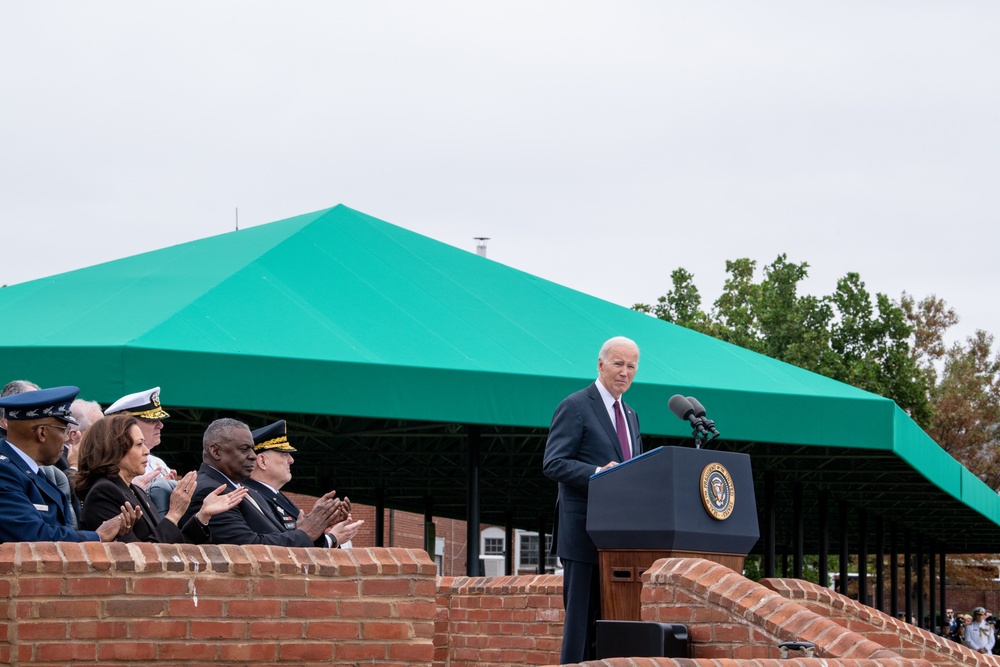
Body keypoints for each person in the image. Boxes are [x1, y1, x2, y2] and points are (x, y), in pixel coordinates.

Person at [542, 336, 643, 664]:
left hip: (621, 540)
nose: (624, 372)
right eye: (618, 364)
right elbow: (554, 462)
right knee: (580, 629)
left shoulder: (631, 415)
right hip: (584, 536)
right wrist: (600, 472)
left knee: (614, 626)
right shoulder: (575, 405)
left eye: (631, 366)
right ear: (600, 364)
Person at [76, 413, 246, 543]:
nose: (146, 451)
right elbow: (140, 559)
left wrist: (202, 516)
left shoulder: (133, 490)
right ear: (114, 449)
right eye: (139, 444)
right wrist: (174, 514)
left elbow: (172, 546)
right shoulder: (104, 492)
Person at [0, 385, 138, 543]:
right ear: (42, 433)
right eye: (64, 430)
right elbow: (32, 534)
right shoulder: (5, 472)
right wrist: (98, 536)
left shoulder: (30, 471)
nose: (66, 439)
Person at [179, 417, 348, 546]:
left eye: (252, 448)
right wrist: (306, 532)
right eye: (244, 449)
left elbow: (278, 536)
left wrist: (315, 525)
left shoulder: (247, 491)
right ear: (216, 452)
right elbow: (248, 548)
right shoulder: (210, 490)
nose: (253, 455)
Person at [244, 419, 363, 548]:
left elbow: (295, 539)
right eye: (284, 455)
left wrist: (318, 520)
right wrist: (331, 539)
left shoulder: (276, 496)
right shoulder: (248, 497)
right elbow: (279, 546)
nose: (291, 460)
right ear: (262, 461)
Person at [104, 387, 177, 513]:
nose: (160, 425)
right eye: (151, 420)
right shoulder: (111, 463)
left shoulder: (157, 462)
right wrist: (132, 491)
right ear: (124, 424)